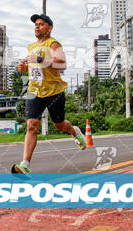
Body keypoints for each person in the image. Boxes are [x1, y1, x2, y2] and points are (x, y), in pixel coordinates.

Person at [13, 14, 86, 174]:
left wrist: (40, 61)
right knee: (32, 125)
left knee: (59, 125)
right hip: (35, 91)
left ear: (49, 28)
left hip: (54, 91)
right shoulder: (31, 46)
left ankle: (75, 132)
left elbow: (62, 64)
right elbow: (34, 67)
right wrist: (24, 68)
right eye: (36, 25)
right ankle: (25, 164)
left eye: (41, 24)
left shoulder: (53, 44)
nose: (37, 27)